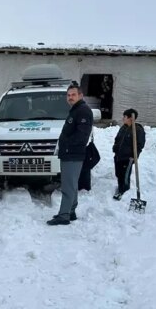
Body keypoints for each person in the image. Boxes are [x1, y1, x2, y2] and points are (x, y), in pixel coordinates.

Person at [47, 82, 93, 226]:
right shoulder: (76, 110)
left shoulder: (83, 111)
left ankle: (64, 215)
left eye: (73, 95)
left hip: (73, 154)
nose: (70, 97)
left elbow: (82, 136)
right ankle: (71, 211)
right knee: (71, 185)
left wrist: (66, 145)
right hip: (70, 154)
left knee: (67, 186)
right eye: (68, 95)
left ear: (81, 95)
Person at [112, 108, 145, 200]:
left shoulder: (137, 130)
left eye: (125, 116)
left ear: (131, 118)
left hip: (128, 158)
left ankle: (124, 191)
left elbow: (140, 145)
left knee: (125, 175)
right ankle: (120, 188)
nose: (123, 118)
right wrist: (115, 147)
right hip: (118, 156)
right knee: (118, 174)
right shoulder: (124, 127)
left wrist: (134, 156)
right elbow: (117, 139)